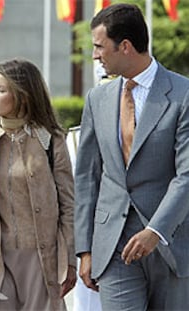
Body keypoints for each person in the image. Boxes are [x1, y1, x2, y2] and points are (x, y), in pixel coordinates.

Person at [75, 3, 189, 310]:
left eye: (99, 46)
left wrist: (156, 231)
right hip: (113, 247)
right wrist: (84, 249)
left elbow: (187, 175)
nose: (95, 55)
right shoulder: (97, 99)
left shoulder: (184, 95)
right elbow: (87, 177)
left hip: (171, 245)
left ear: (124, 46)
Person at [0, 58, 76, 311]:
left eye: (0, 89)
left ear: (23, 96)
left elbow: (69, 207)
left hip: (42, 261)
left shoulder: (51, 140)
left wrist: (70, 261)